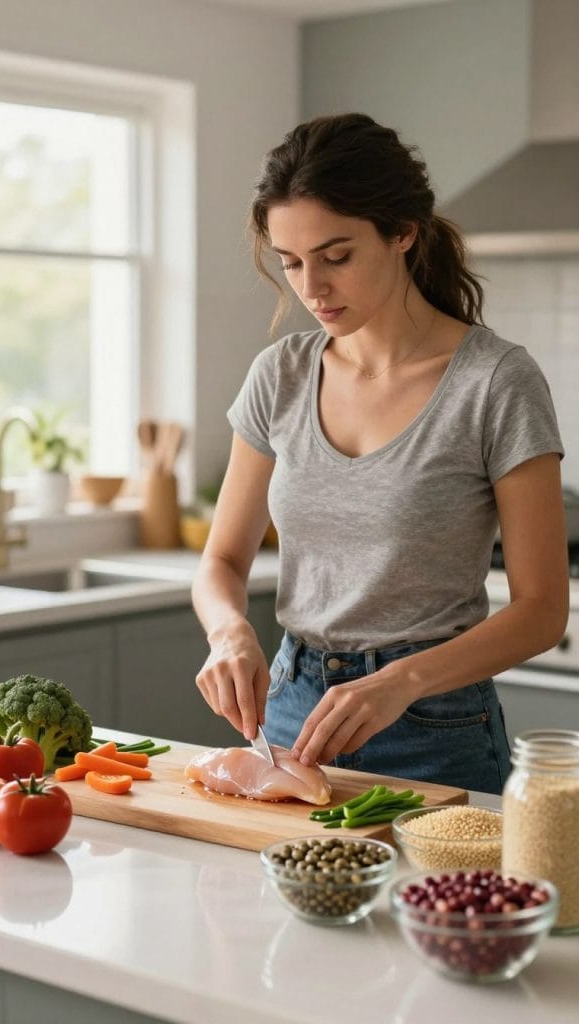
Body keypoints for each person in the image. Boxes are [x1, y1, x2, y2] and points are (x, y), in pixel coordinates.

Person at [191, 113, 569, 794]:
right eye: (291, 263)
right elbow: (220, 562)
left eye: (336, 256)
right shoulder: (279, 375)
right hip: (291, 719)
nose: (311, 288)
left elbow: (542, 608)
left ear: (401, 233)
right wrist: (228, 635)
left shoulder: (494, 382)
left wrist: (400, 682)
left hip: (435, 726)